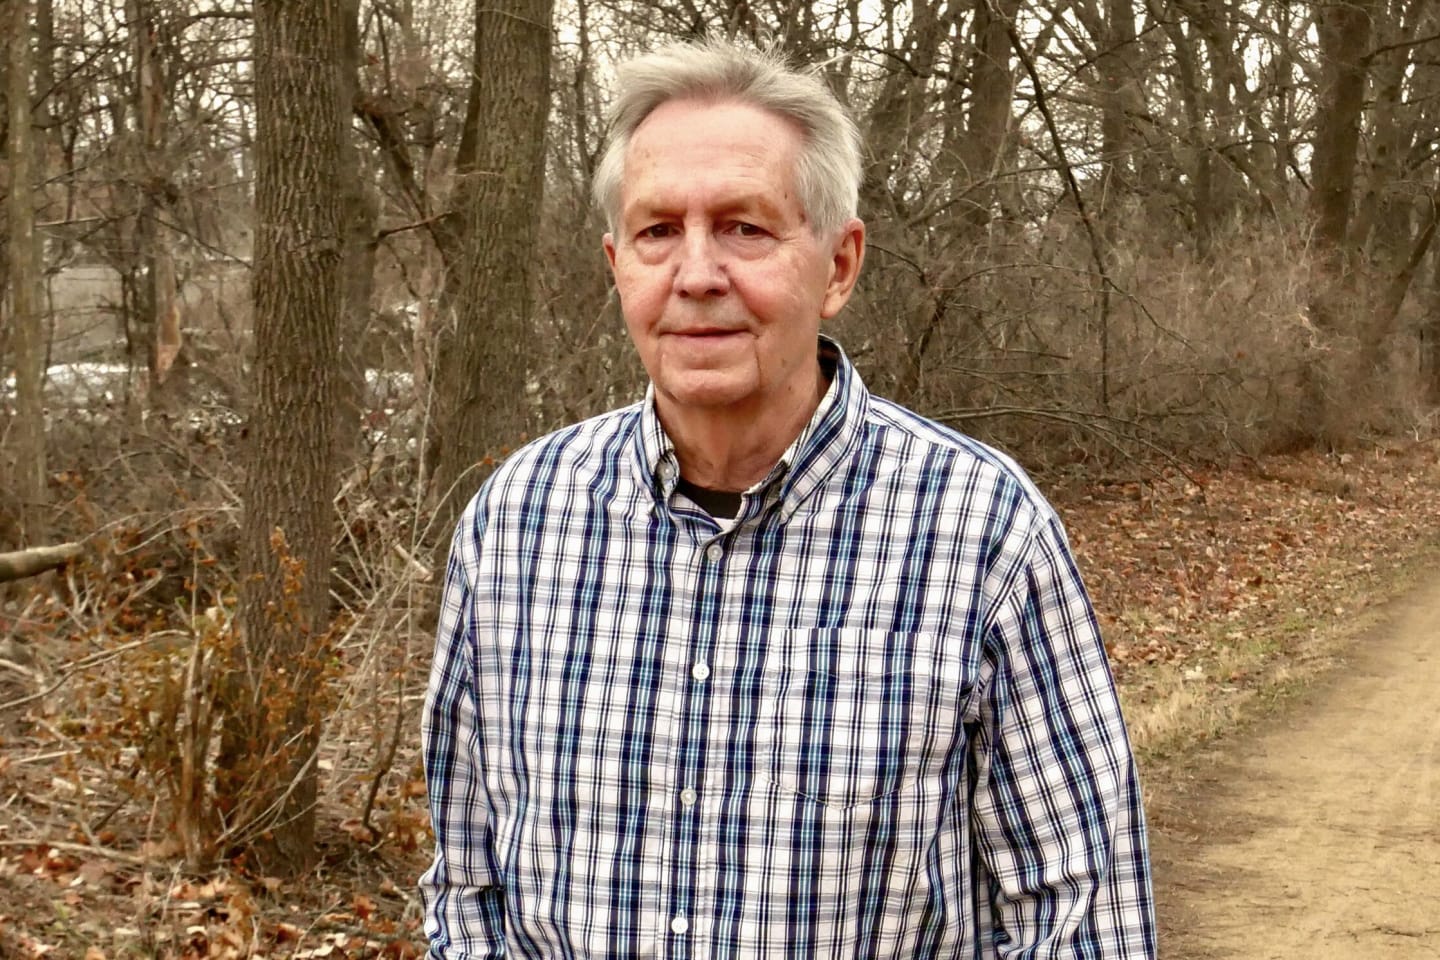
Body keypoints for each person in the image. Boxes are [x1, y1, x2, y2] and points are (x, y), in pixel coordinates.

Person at [420, 38, 1157, 959]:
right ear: (617, 266)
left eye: (745, 228)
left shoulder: (981, 534)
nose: (695, 275)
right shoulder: (516, 523)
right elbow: (469, 882)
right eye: (658, 233)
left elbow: (1082, 915)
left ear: (839, 266)